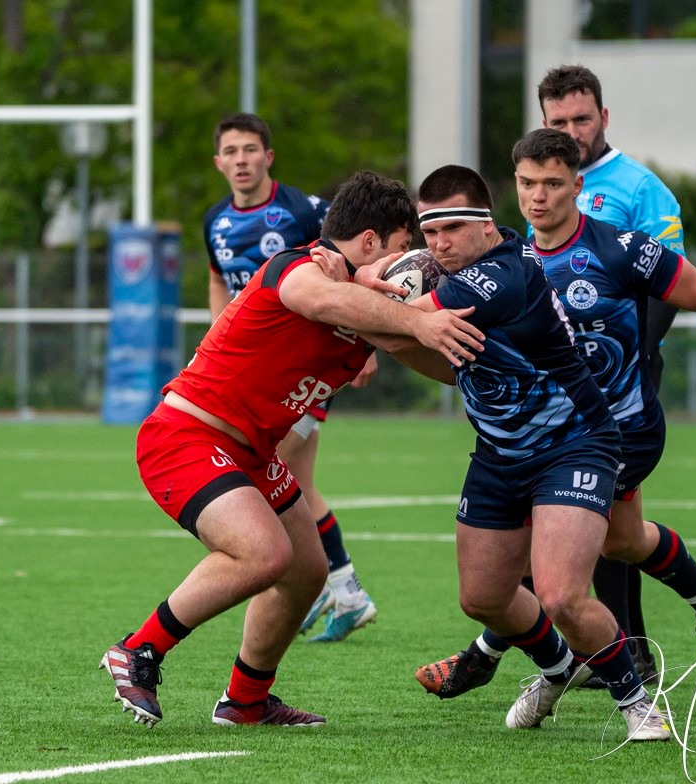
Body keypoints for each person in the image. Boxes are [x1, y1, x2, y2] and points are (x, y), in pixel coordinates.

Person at [416, 130, 696, 708]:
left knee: (549, 566)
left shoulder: (618, 249)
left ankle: (494, 658)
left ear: (578, 185)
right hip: (548, 433)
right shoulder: (499, 260)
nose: (537, 197)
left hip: (617, 430)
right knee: (620, 542)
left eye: (551, 183)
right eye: (526, 184)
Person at [100, 170, 485, 728]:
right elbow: (324, 299)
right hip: (186, 436)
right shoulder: (300, 268)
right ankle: (138, 650)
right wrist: (413, 318)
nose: (414, 264)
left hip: (253, 454)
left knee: (307, 571)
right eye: (405, 249)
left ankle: (246, 702)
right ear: (370, 242)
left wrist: (448, 337)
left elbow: (433, 360)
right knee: (264, 555)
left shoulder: (364, 300)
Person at [391, 163, 671, 741]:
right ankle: (558, 669)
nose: (439, 244)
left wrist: (355, 295)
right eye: (429, 232)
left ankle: (636, 703)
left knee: (563, 595)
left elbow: (402, 321)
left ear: (487, 224)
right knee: (484, 598)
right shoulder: (457, 274)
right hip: (499, 455)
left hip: (576, 443)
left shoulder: (502, 275)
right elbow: (440, 361)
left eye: (452, 228)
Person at [203, 112, 377, 643]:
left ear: (268, 157)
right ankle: (335, 584)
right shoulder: (215, 220)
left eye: (250, 149)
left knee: (287, 481)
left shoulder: (303, 210)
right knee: (294, 484)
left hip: (299, 366)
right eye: (231, 151)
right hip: (248, 371)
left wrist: (366, 344)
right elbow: (217, 280)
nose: (241, 160)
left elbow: (354, 267)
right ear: (219, 162)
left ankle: (332, 585)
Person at [548, 63, 689, 679]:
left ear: (604, 118)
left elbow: (672, 285)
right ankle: (620, 645)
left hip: (622, 376)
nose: (573, 130)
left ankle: (622, 648)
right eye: (559, 121)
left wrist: (638, 355)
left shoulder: (639, 187)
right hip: (564, 380)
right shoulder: (546, 183)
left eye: (582, 118)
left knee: (599, 510)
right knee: (598, 516)